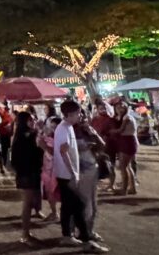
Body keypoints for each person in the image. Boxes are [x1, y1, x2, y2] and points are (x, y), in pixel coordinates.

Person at [53, 100, 109, 253]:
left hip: (66, 174)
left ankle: (68, 236)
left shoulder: (66, 127)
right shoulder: (64, 129)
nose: (80, 115)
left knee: (69, 206)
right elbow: (64, 152)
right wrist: (73, 173)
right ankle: (86, 240)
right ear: (69, 114)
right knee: (79, 206)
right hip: (67, 175)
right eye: (78, 113)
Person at [11, 111, 44, 245]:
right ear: (24, 121)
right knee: (27, 203)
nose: (33, 121)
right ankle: (25, 234)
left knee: (32, 201)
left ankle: (26, 232)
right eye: (30, 119)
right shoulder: (25, 135)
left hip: (31, 172)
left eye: (33, 119)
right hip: (27, 173)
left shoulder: (26, 134)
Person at [75, 112, 106, 242]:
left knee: (93, 203)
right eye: (79, 116)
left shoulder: (89, 131)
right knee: (84, 203)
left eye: (83, 116)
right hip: (79, 171)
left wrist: (93, 134)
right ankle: (81, 232)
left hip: (93, 169)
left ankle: (90, 230)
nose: (82, 118)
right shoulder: (70, 131)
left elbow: (102, 146)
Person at [112, 102, 138, 195]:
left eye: (122, 107)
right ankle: (132, 188)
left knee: (123, 167)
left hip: (127, 141)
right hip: (128, 141)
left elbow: (120, 130)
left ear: (126, 107)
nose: (120, 109)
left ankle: (124, 190)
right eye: (118, 107)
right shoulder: (125, 116)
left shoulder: (126, 117)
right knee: (128, 166)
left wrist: (109, 131)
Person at [92, 101, 119, 191]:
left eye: (104, 108)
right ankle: (97, 183)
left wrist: (105, 135)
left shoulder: (111, 120)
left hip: (109, 145)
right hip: (97, 145)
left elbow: (114, 133)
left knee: (110, 164)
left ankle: (112, 184)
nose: (103, 110)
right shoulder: (94, 119)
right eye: (101, 108)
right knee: (96, 165)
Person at [38, 116, 61, 221]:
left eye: (55, 127)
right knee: (49, 191)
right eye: (51, 127)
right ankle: (54, 213)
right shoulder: (48, 135)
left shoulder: (61, 137)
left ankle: (60, 214)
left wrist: (44, 146)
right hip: (47, 168)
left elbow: (54, 152)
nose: (53, 129)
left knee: (56, 191)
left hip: (56, 168)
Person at [0, 101, 14, 167]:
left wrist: (10, 123)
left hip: (8, 133)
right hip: (2, 133)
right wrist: (6, 122)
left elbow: (10, 120)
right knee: (4, 148)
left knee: (7, 147)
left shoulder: (7, 112)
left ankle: (6, 160)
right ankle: (4, 161)